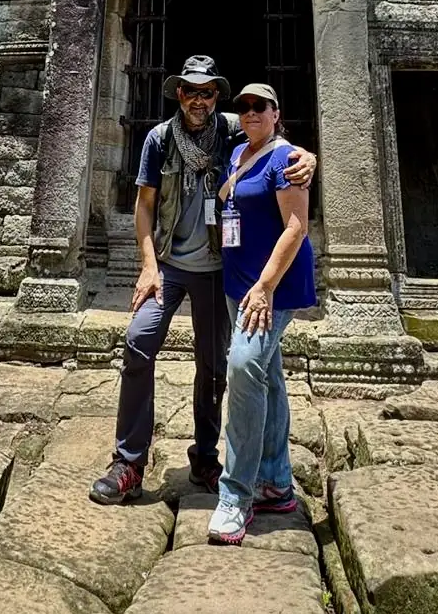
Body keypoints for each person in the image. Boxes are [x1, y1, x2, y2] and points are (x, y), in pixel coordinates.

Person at [90, 56, 316, 504]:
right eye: (191, 91)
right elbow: (144, 206)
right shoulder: (159, 139)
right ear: (179, 93)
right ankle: (129, 461)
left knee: (214, 367)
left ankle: (206, 457)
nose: (199, 99)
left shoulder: (232, 129)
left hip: (216, 269)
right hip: (170, 263)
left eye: (208, 92)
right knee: (138, 340)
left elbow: (271, 139)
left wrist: (306, 156)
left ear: (216, 97)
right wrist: (148, 265)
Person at [207, 81, 317, 545]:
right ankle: (276, 480)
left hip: (270, 287)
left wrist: (265, 287)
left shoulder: (287, 158)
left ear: (277, 112)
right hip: (239, 281)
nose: (250, 113)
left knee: (243, 365)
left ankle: (237, 493)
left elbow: (296, 227)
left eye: (260, 106)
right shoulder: (237, 151)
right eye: (244, 107)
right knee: (267, 374)